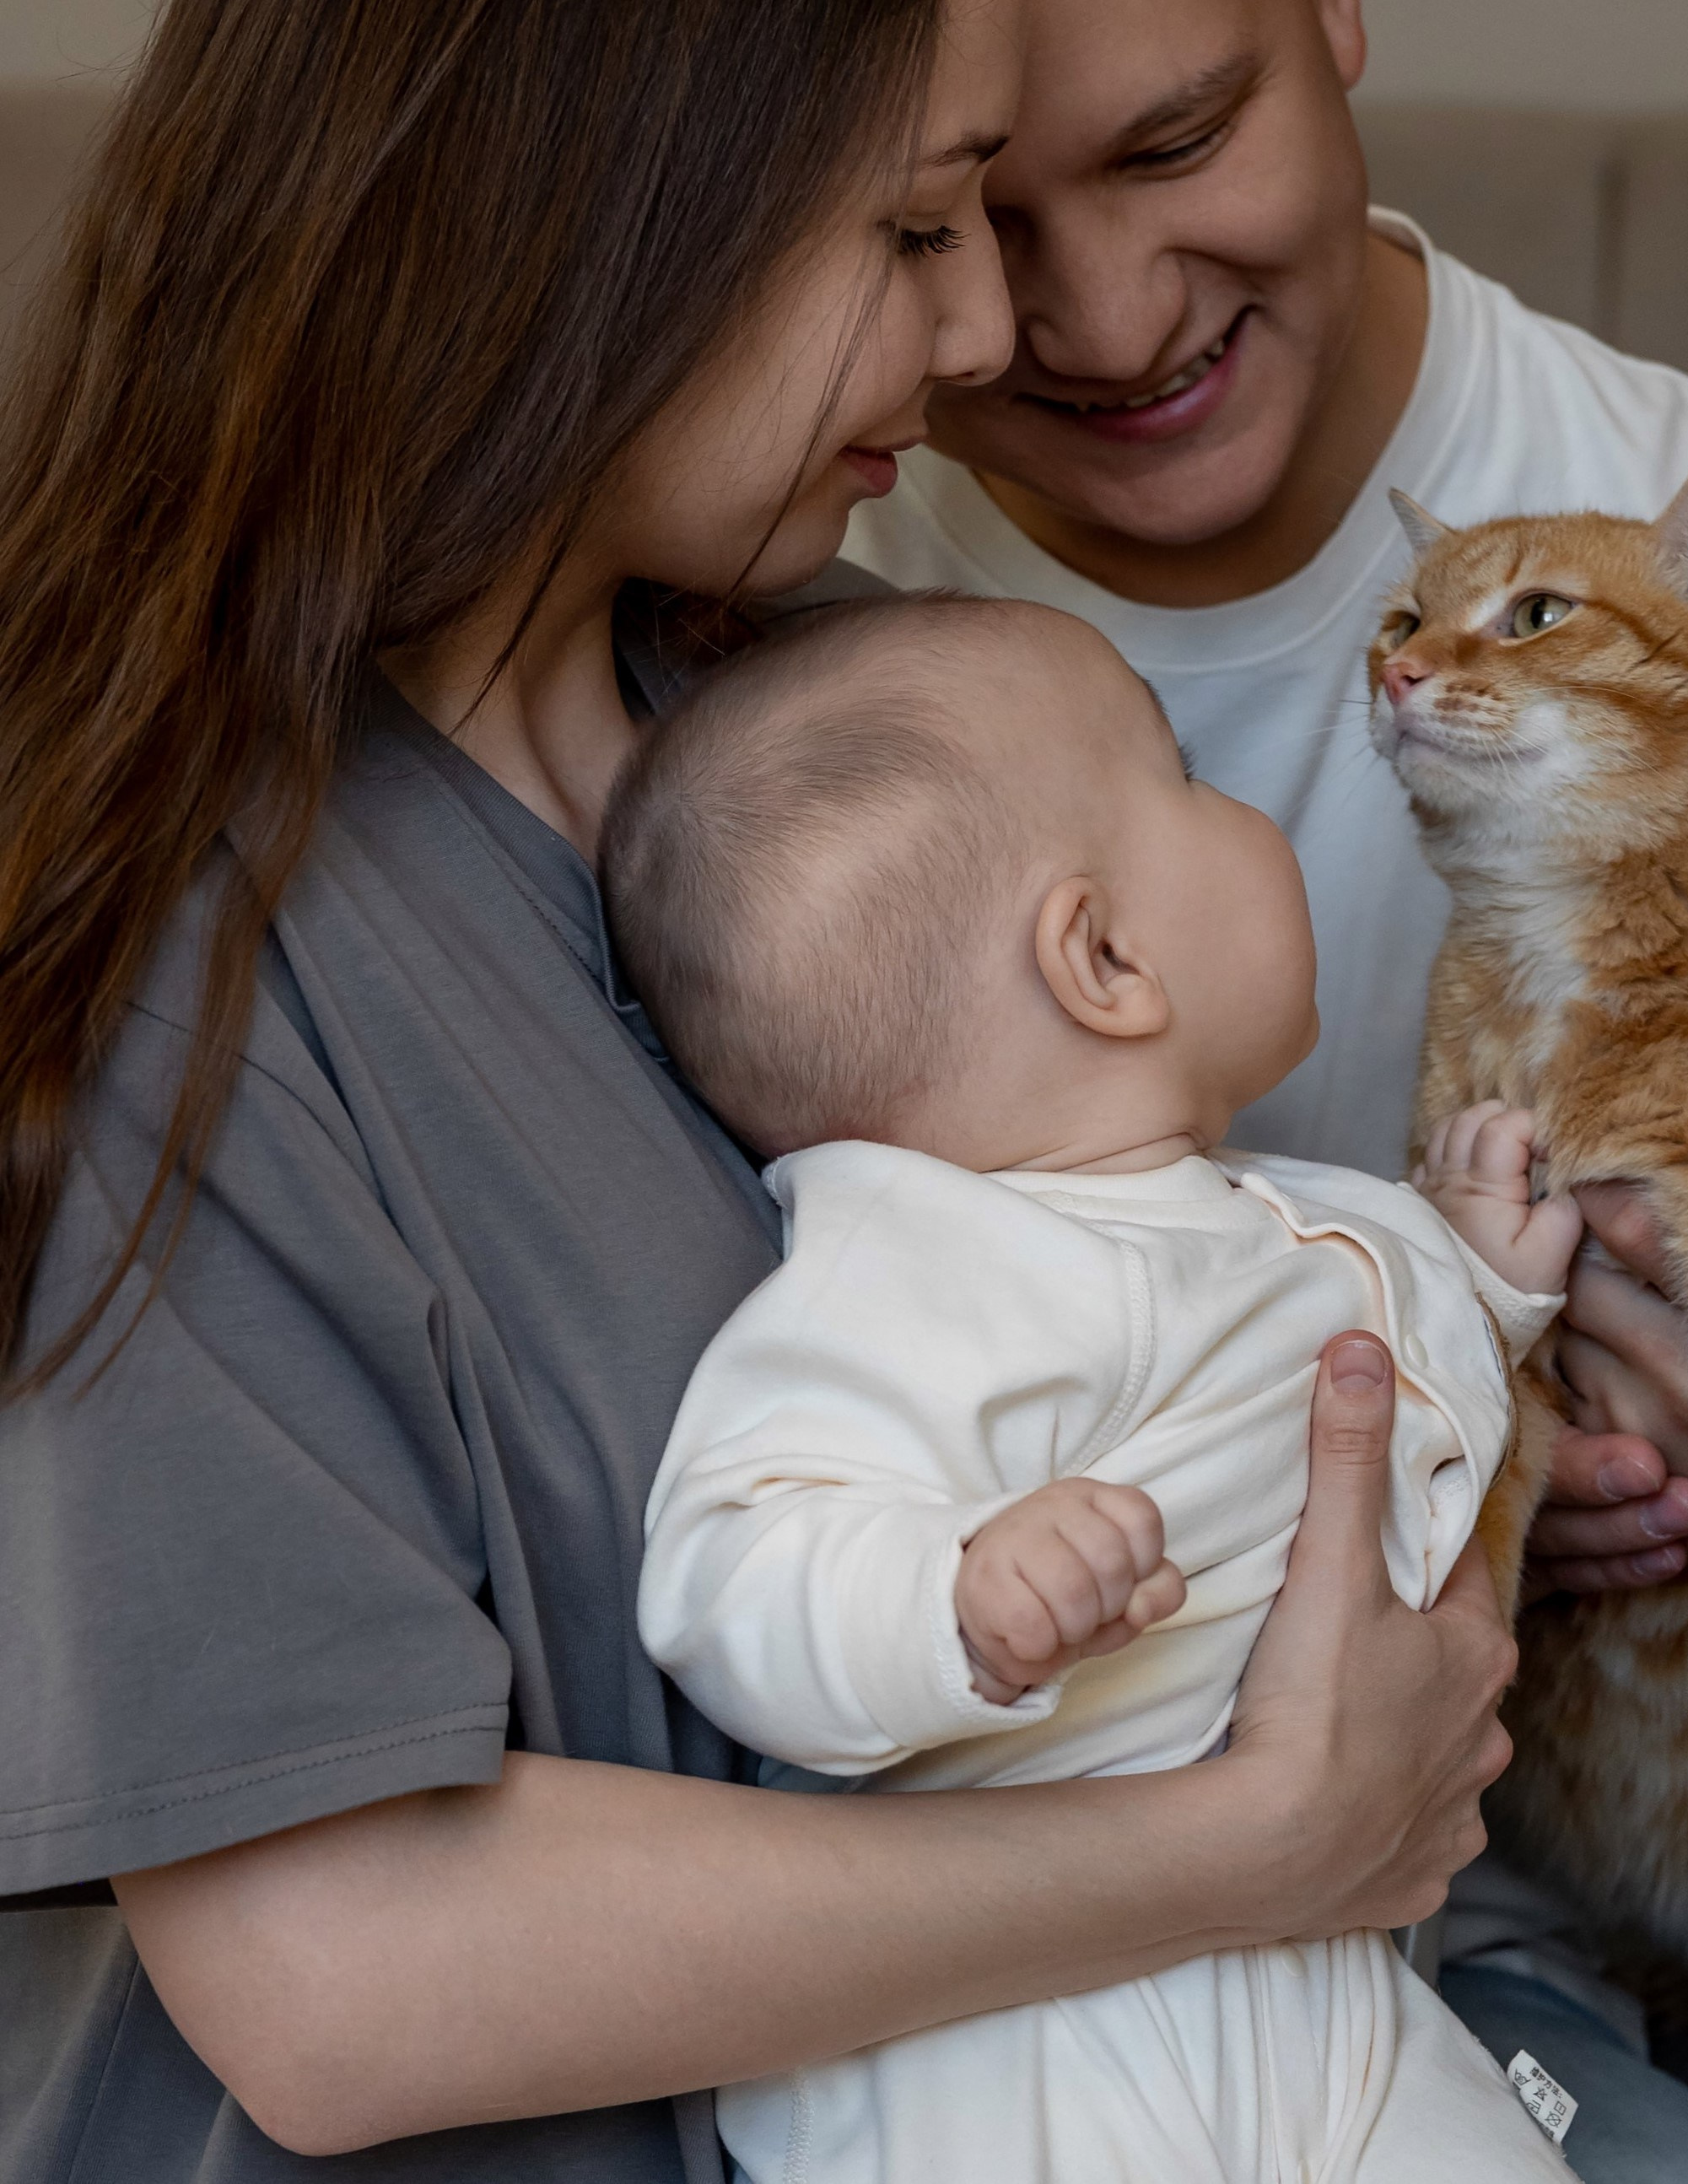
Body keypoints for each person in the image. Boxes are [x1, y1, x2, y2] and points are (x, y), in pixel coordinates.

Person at [0, 0, 1524, 2183]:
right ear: (602, 210)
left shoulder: (807, 707)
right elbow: (339, 1972)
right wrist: (1245, 1839)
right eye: (914, 226)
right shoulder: (182, 941)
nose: (976, 345)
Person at [770, 0, 1688, 2176]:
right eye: (963, 206)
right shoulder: (792, 669)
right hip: (1174, 1972)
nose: (1098, 316)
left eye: (1178, 138)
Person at [615, 589, 1576, 2183]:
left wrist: (1474, 1280)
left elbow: (1345, 1384)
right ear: (1107, 957)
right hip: (1015, 2046)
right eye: (1188, 774)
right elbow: (734, 1556)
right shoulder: (923, 1269)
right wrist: (949, 1600)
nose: (1248, 807)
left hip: (1322, 1996)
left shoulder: (1259, 1214)